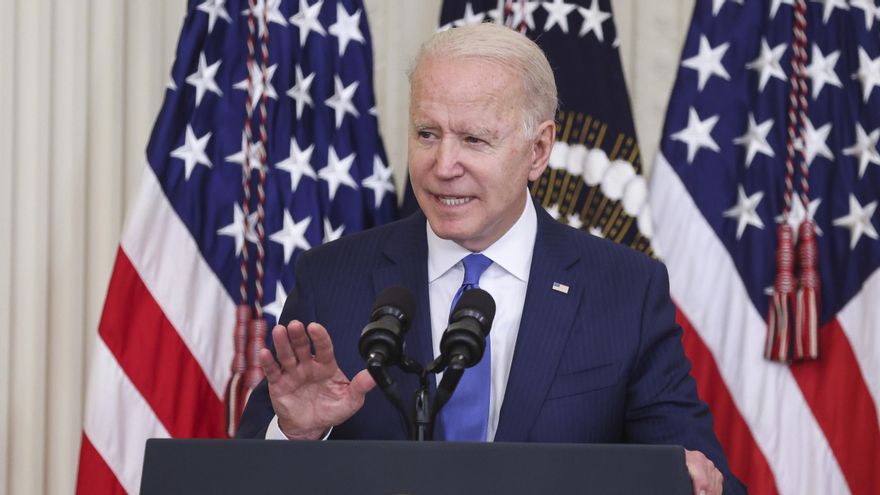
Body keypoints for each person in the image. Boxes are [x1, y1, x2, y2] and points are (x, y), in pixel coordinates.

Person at [238, 22, 743, 495]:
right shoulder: (332, 280)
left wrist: (684, 482)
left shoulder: (625, 290)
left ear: (538, 150)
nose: (443, 166)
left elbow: (706, 478)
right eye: (427, 134)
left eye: (474, 139)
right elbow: (239, 478)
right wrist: (296, 435)